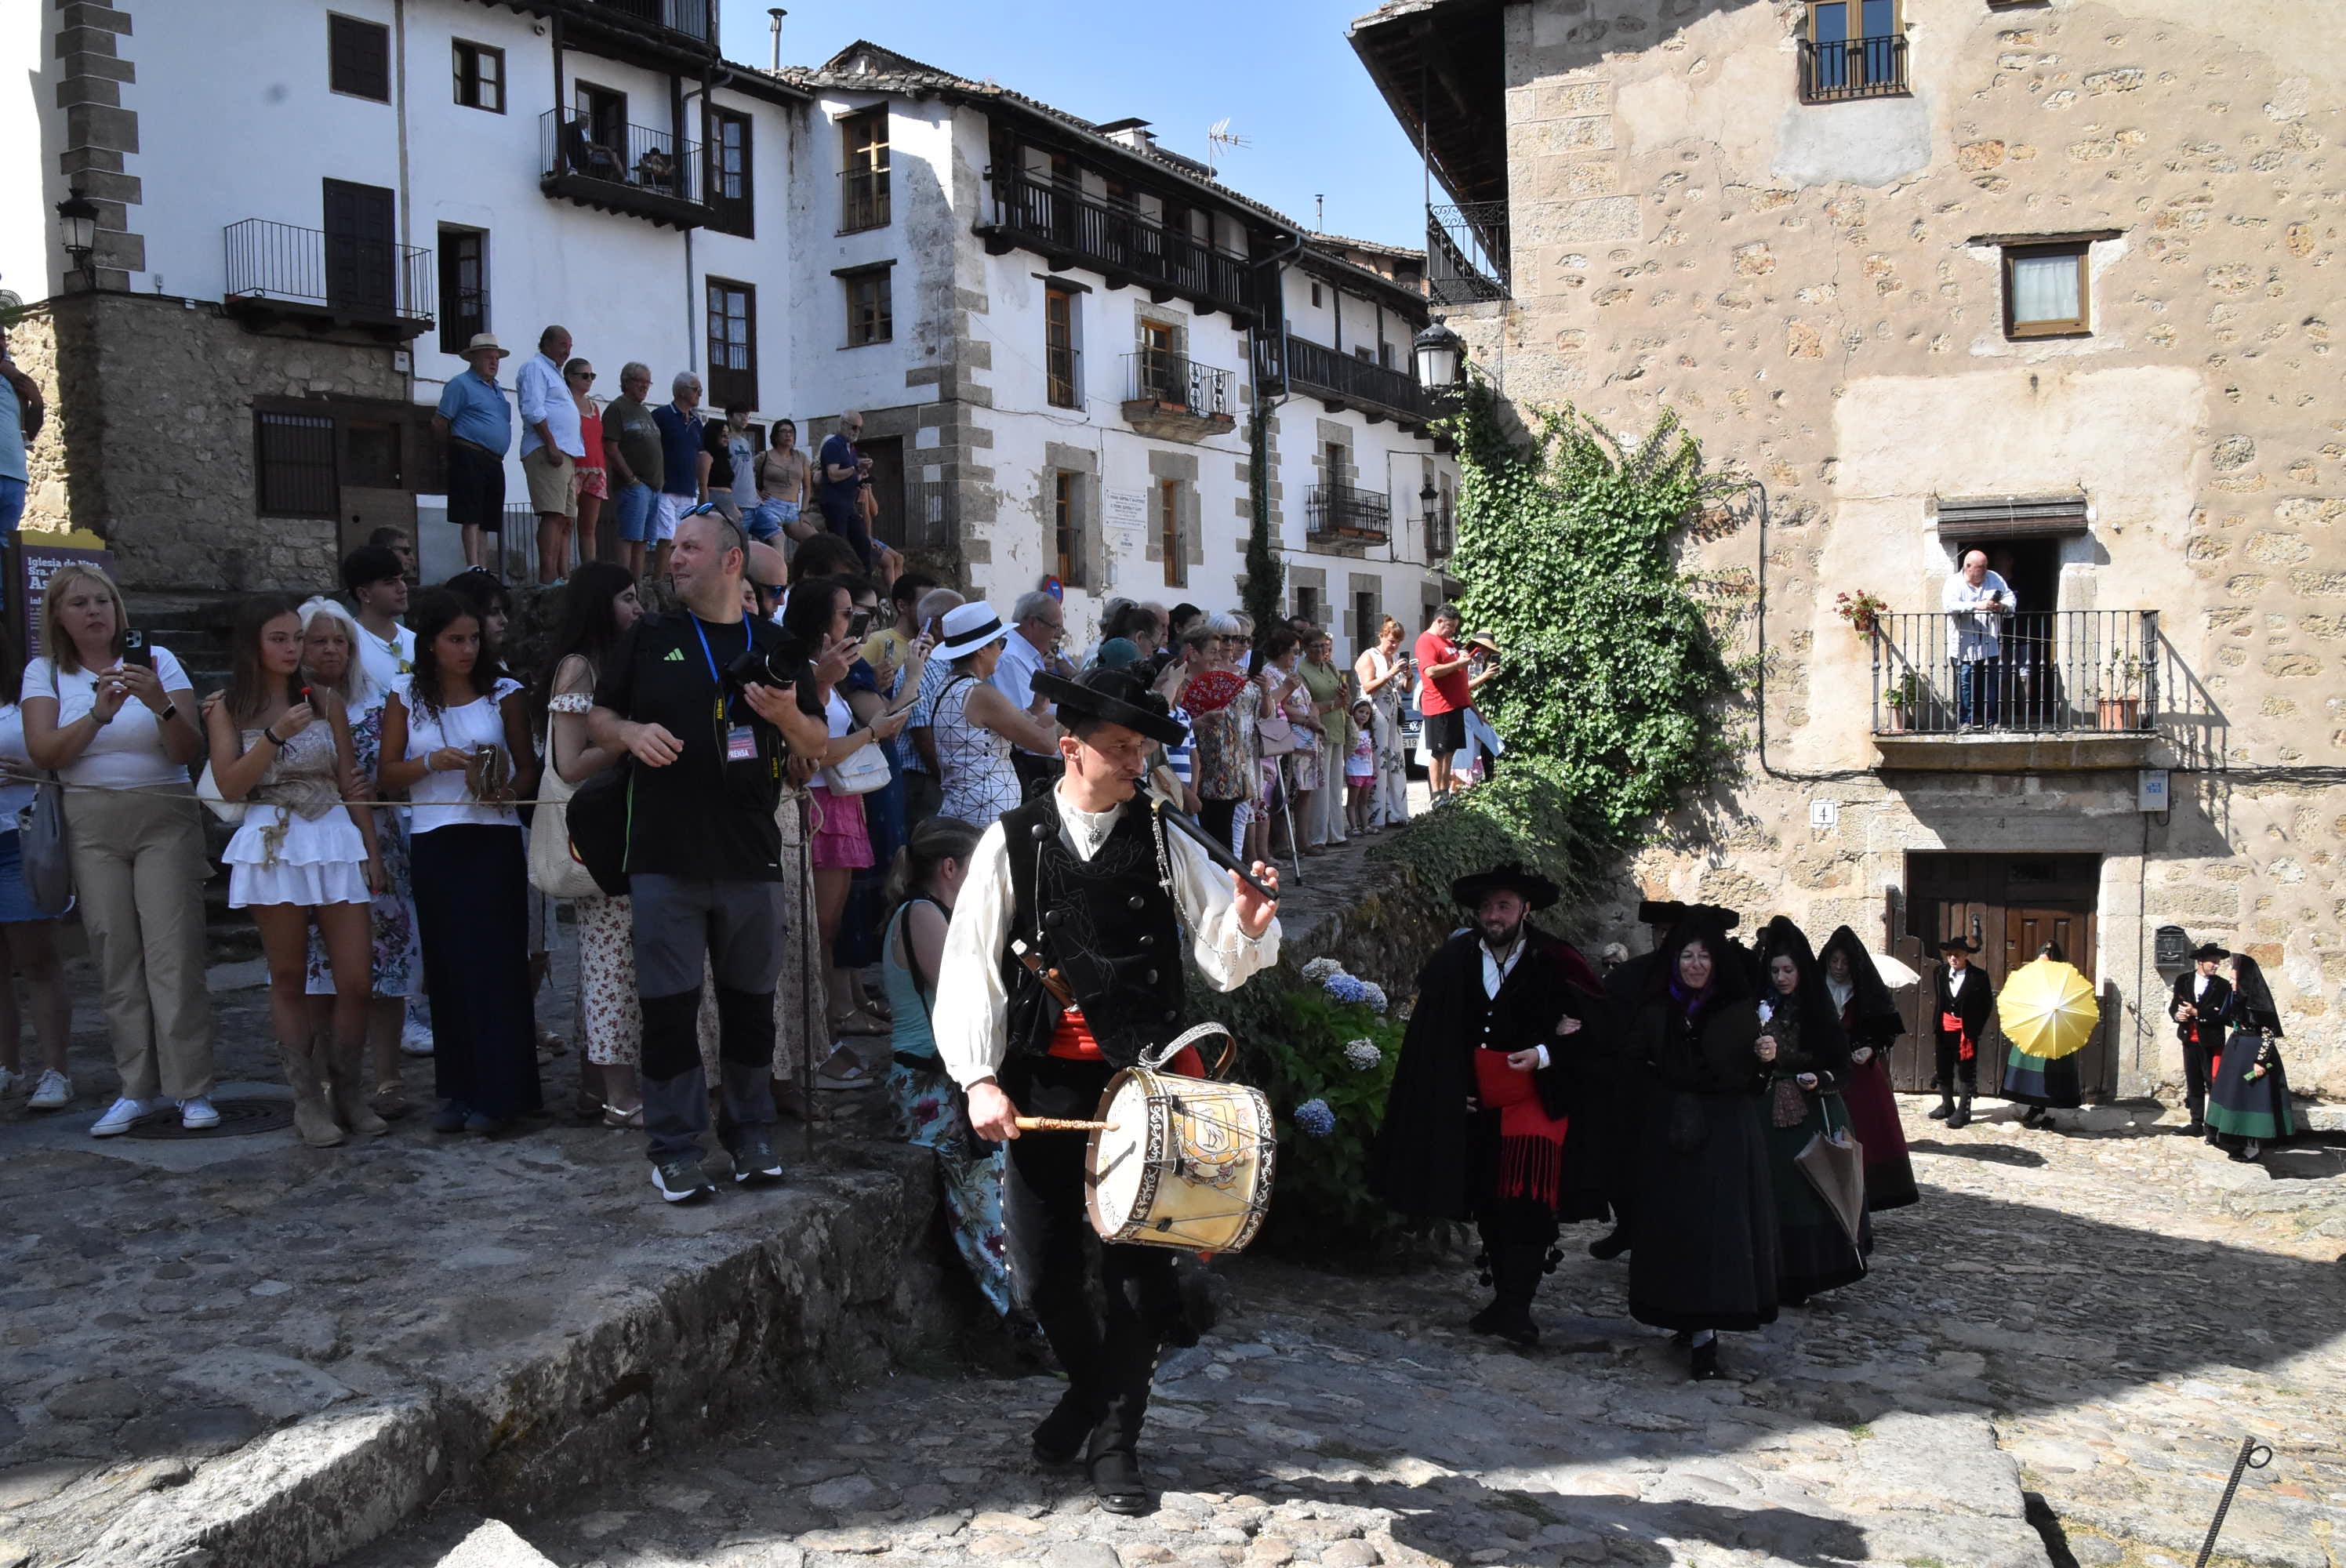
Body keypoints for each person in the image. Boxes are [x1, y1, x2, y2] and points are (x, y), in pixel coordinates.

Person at [933, 666, 1282, 1515]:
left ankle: (1117, 1438)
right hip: (1045, 1078)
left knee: (1137, 1276)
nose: (1136, 764)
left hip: (1149, 1083)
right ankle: (1092, 1392)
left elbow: (1220, 960)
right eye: (1120, 748)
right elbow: (971, 965)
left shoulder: (1167, 837)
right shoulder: (1011, 839)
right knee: (1042, 1275)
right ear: (1071, 748)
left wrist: (1245, 920)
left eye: (1141, 750)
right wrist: (979, 1077)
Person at [587, 509, 834, 1201]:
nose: (674, 559)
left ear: (732, 562)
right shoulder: (650, 638)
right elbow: (599, 719)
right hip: (664, 857)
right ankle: (673, 1147)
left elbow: (815, 742)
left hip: (750, 855)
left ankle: (752, 1132)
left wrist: (785, 714)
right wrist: (631, 734)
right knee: (668, 1009)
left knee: (751, 1005)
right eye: (672, 548)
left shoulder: (777, 643)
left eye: (690, 548)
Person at [1372, 864, 1609, 1346]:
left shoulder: (1557, 960)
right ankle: (1503, 1301)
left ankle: (1518, 1306)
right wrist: (1445, 1088)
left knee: (1527, 1202)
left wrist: (1546, 1052)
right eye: (1486, 907)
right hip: (1476, 1106)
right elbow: (1430, 1039)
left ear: (1526, 909)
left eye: (1503, 906)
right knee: (1488, 1202)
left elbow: (1598, 1030)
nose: (1493, 915)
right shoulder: (1455, 959)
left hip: (1536, 1105)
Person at [23, 564, 214, 1136]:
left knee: (173, 953)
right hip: (92, 821)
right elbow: (44, 751)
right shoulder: (47, 673)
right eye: (79, 603)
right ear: (58, 615)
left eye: (102, 600)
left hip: (164, 813)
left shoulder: (157, 662)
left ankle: (192, 1088)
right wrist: (98, 714)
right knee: (115, 955)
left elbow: (187, 750)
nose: (94, 611)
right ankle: (136, 1088)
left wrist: (159, 703)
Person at [208, 594, 386, 1149]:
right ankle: (306, 1100)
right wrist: (276, 735)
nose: (292, 649)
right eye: (279, 639)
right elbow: (230, 785)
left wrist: (372, 851)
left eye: (296, 639)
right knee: (288, 976)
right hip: (273, 838)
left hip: (332, 834)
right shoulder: (226, 707)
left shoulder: (327, 700)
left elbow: (351, 779)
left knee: (356, 978)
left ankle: (349, 1090)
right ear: (254, 645)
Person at [378, 590, 540, 1136]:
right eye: (456, 639)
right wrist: (431, 762)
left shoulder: (505, 692)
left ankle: (503, 1093)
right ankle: (458, 1088)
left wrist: (504, 792)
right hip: (434, 840)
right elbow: (387, 774)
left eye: (473, 638)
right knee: (447, 969)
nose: (467, 648)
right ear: (430, 643)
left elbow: (528, 768)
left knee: (495, 966)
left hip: (491, 841)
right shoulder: (406, 694)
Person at [1625, 916, 1778, 1380]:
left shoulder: (1737, 1010)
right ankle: (1681, 1315)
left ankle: (1707, 1336)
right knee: (1675, 1228)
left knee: (1717, 1232)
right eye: (1687, 955)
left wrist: (1766, 1059)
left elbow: (1753, 1081)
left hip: (1724, 1134)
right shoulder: (1656, 1009)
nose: (1695, 964)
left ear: (1717, 962)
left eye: (1704, 956)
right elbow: (1634, 1064)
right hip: (1669, 1133)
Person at [881, 815, 1016, 1319]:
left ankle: (1027, 1310)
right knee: (985, 1199)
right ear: (950, 867)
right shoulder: (922, 914)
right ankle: (1021, 1318)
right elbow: (963, 995)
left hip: (942, 1081)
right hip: (927, 1085)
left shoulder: (933, 911)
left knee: (999, 1187)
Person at [297, 597, 422, 1123]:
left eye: (340, 641)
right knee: (322, 970)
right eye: (319, 640)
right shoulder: (291, 706)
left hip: (381, 843)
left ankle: (387, 1076)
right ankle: (327, 1078)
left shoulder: (377, 703)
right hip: (314, 844)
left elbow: (396, 769)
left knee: (386, 963)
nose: (331, 650)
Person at [783, 575, 910, 1073]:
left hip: (839, 803)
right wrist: (873, 733)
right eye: (844, 614)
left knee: (827, 929)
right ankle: (817, 1037)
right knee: (818, 930)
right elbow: (816, 750)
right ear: (820, 620)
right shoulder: (803, 672)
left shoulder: (826, 674)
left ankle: (826, 1028)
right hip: (818, 805)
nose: (852, 623)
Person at [536, 563, 646, 1127]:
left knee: (607, 968)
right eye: (627, 598)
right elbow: (570, 763)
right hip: (598, 835)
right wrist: (632, 737)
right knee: (610, 967)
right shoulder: (580, 669)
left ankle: (591, 1087)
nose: (638, 608)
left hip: (621, 828)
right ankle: (620, 1097)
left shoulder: (619, 661)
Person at [1753, 918, 1870, 1306]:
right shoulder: (1762, 1007)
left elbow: (1842, 1068)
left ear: (1801, 970)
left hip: (1810, 1115)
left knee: (1806, 1192)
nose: (1782, 977)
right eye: (1775, 970)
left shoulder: (1818, 1012)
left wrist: (1817, 1078)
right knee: (1769, 1194)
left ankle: (1807, 1273)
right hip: (1765, 1115)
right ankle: (1768, 1270)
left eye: (1788, 970)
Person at [0, 626, 71, 1112]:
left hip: (18, 837)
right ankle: (6, 1066)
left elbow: (58, 758)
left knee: (36, 959)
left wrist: (25, 772)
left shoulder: (25, 691)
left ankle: (55, 1071)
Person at [930, 602, 1059, 831]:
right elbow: (1046, 744)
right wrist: (1074, 714)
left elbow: (991, 734)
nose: (1001, 651)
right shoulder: (980, 693)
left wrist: (1034, 710)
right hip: (984, 815)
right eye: (1000, 643)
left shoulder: (947, 686)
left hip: (964, 806)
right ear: (981, 650)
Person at [1818, 925, 1919, 1210]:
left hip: (1861, 1078)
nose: (1839, 968)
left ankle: (1863, 1198)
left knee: (1866, 1133)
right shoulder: (1815, 988)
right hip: (1825, 1073)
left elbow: (1884, 1031)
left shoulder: (1864, 992)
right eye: (1834, 961)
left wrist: (1870, 1048)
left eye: (1844, 962)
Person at [1168, 617, 1255, 857]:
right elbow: (1175, 732)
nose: (1218, 658)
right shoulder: (1177, 687)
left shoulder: (1219, 681)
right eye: (1212, 652)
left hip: (1225, 776)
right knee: (1203, 848)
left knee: (1223, 846)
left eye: (1219, 652)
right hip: (1200, 779)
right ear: (1193, 654)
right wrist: (1200, 722)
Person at [433, 333, 513, 571]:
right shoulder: (460, 384)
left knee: (487, 519)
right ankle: (472, 565)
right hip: (469, 452)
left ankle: (483, 568)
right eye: (489, 357)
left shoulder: (498, 390)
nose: (494, 362)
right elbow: (439, 422)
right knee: (471, 515)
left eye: (497, 358)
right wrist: (449, 452)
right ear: (473, 359)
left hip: (494, 459)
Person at [2206, 953, 2294, 1163]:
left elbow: (2268, 1034)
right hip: (2236, 1051)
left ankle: (2252, 1147)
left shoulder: (2258, 1002)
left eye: (2234, 979)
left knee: (2252, 1099)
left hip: (2253, 1053)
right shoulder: (2237, 999)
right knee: (2232, 1094)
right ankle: (2227, 1136)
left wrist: (2261, 1061)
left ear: (2245, 981)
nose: (2230, 981)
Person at [518, 325, 583, 585]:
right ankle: (547, 578)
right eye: (562, 344)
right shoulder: (535, 368)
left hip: (565, 454)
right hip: (547, 451)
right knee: (552, 514)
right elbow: (532, 409)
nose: (567, 350)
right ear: (546, 343)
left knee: (565, 519)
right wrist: (552, 445)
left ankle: (561, 576)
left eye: (570, 346)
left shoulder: (555, 374)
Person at [899, 586, 966, 829]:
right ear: (937, 625)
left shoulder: (951, 664)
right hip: (926, 782)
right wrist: (951, 782)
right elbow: (923, 737)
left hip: (945, 779)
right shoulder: (921, 667)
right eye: (960, 618)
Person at [2003, 941, 2088, 1128]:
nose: (2042, 965)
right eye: (2040, 961)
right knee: (2031, 1069)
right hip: (2034, 1029)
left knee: (2051, 1073)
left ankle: (2044, 1109)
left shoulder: (2066, 978)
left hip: (2056, 1031)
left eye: (2047, 961)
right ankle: (2035, 1107)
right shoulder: (2031, 976)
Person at [993, 591, 1070, 797]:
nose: (1059, 635)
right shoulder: (1011, 658)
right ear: (1034, 623)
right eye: (1056, 627)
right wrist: (1074, 720)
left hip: (1039, 764)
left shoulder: (1027, 655)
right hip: (1030, 766)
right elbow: (1026, 723)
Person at [601, 362, 663, 579]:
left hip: (653, 487)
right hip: (635, 486)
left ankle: (637, 586)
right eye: (641, 381)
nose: (645, 387)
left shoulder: (645, 411)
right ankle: (623, 583)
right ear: (627, 382)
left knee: (643, 541)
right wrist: (630, 478)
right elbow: (610, 446)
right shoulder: (617, 409)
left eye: (648, 382)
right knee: (629, 537)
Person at [1942, 549, 2014, 730]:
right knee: (1965, 685)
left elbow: (2010, 597)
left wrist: (2002, 606)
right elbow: (1950, 605)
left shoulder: (1994, 578)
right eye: (1980, 568)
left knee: (1990, 684)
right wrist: (1977, 605)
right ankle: (1965, 721)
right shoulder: (1953, 583)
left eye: (1985, 567)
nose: (1984, 571)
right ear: (1967, 567)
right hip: (1962, 646)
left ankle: (1992, 722)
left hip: (1988, 644)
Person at [1353, 615, 1413, 830]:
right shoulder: (1370, 656)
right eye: (1391, 641)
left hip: (1393, 715)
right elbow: (1368, 687)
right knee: (1378, 762)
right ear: (1382, 636)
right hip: (1376, 714)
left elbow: (1406, 689)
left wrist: (1407, 676)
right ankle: (1374, 816)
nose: (1394, 645)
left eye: (1398, 641)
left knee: (1395, 762)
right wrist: (1391, 673)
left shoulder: (1395, 658)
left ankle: (1396, 813)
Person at [650, 372, 710, 580]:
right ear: (681, 390)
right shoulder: (661, 415)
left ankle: (679, 580)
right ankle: (659, 581)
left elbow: (700, 456)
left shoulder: (696, 423)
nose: (699, 394)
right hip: (665, 487)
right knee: (666, 537)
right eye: (696, 389)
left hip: (688, 488)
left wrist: (703, 490)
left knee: (685, 538)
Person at [1929, 934, 1993, 1128]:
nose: (1952, 959)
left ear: (1966, 955)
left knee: (1966, 1070)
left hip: (1966, 1031)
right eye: (1949, 955)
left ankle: (1964, 1111)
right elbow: (1941, 1000)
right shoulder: (1939, 972)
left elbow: (1986, 1005)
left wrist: (1974, 1029)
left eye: (1957, 955)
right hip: (1944, 1028)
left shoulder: (1979, 976)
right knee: (1943, 1067)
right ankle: (1947, 1105)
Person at [2169, 940, 2232, 1139]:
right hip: (2189, 1039)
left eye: (2218, 962)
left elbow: (2227, 1016)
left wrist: (2198, 1012)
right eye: (2213, 962)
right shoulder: (2183, 980)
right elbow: (2174, 1005)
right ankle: (2196, 1123)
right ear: (2201, 962)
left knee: (2213, 1082)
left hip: (2212, 1041)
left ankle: (2214, 1126)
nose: (2216, 965)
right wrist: (2177, 1016)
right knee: (2193, 1082)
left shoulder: (2222, 986)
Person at [1297, 631, 1353, 850]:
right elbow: (1306, 706)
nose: (1320, 651)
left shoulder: (1329, 666)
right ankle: (1318, 836)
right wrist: (1334, 704)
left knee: (1336, 784)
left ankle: (1336, 832)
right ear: (1305, 648)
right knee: (1321, 786)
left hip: (1336, 728)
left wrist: (1344, 699)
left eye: (1323, 646)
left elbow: (1341, 697)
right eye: (1315, 647)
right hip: (1317, 731)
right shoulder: (1301, 671)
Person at [1414, 603, 1473, 800]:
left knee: (1450, 750)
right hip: (1439, 705)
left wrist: (1463, 658)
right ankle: (1437, 794)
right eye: (1451, 626)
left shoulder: (1447, 642)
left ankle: (1445, 792)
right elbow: (1430, 671)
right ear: (1439, 621)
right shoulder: (1427, 641)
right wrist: (1459, 663)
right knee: (1439, 751)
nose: (1454, 631)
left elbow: (1453, 667)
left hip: (1454, 705)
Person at [343, 545, 416, 696]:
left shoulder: (415, 640)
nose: (402, 588)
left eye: (401, 579)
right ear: (364, 594)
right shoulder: (348, 643)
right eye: (390, 583)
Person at [816, 410, 874, 570]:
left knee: (863, 545)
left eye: (859, 429)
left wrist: (861, 478)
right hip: (835, 504)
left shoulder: (850, 448)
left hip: (848, 504)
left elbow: (850, 475)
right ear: (843, 424)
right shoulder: (834, 445)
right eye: (854, 427)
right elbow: (833, 475)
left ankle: (865, 586)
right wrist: (856, 467)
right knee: (840, 549)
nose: (857, 432)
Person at [0, 329, 42, 536]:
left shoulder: (16, 384)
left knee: (5, 548)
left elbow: (28, 433)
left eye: (1, 338)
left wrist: (37, 402)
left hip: (14, 477)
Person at [746, 418, 813, 545]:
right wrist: (757, 492)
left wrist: (804, 511)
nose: (788, 435)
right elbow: (744, 475)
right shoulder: (764, 456)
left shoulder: (801, 457)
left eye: (791, 432)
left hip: (793, 510)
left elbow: (807, 487)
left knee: (815, 540)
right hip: (770, 506)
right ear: (775, 436)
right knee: (775, 544)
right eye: (783, 431)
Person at [566, 358, 605, 569]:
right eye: (584, 375)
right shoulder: (565, 403)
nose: (589, 379)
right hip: (573, 467)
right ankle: (562, 572)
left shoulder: (594, 407)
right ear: (570, 377)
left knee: (589, 527)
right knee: (566, 523)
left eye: (592, 375)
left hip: (596, 468)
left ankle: (590, 571)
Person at [702, 401, 752, 524]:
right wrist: (705, 508)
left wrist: (734, 507)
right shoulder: (707, 456)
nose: (726, 439)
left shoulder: (725, 457)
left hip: (729, 502)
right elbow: (702, 485)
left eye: (727, 435)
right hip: (714, 501)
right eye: (723, 435)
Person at [1342, 697, 1377, 836]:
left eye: (1367, 713)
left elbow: (1372, 752)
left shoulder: (1368, 733)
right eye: (1361, 712)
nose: (1364, 715)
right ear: (1353, 712)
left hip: (1367, 771)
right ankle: (1353, 827)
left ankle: (1365, 825)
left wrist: (1375, 768)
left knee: (1364, 801)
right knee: (1352, 801)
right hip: (1354, 771)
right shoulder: (1350, 733)